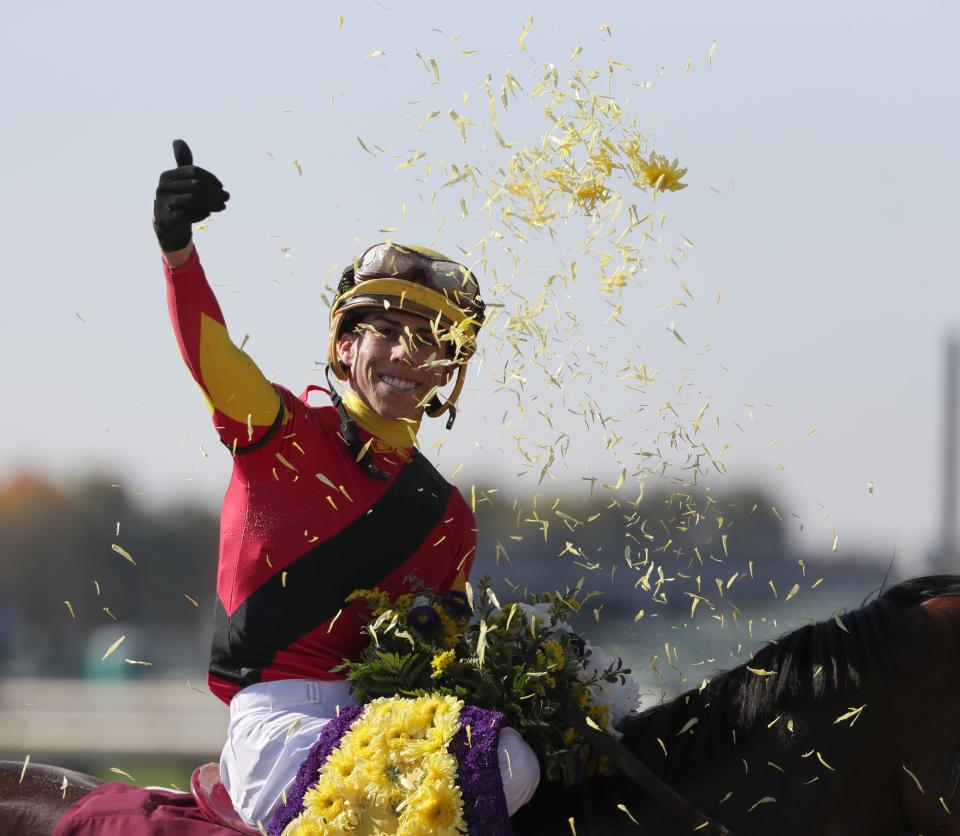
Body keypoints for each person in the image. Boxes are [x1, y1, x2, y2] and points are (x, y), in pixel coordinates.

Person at [152, 140, 540, 829]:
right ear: (343, 348)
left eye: (434, 344)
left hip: (381, 728)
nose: (407, 357)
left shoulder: (451, 518)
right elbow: (210, 352)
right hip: (275, 731)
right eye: (387, 332)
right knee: (505, 765)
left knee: (520, 757)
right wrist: (178, 249)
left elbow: (436, 665)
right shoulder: (278, 430)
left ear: (449, 374)